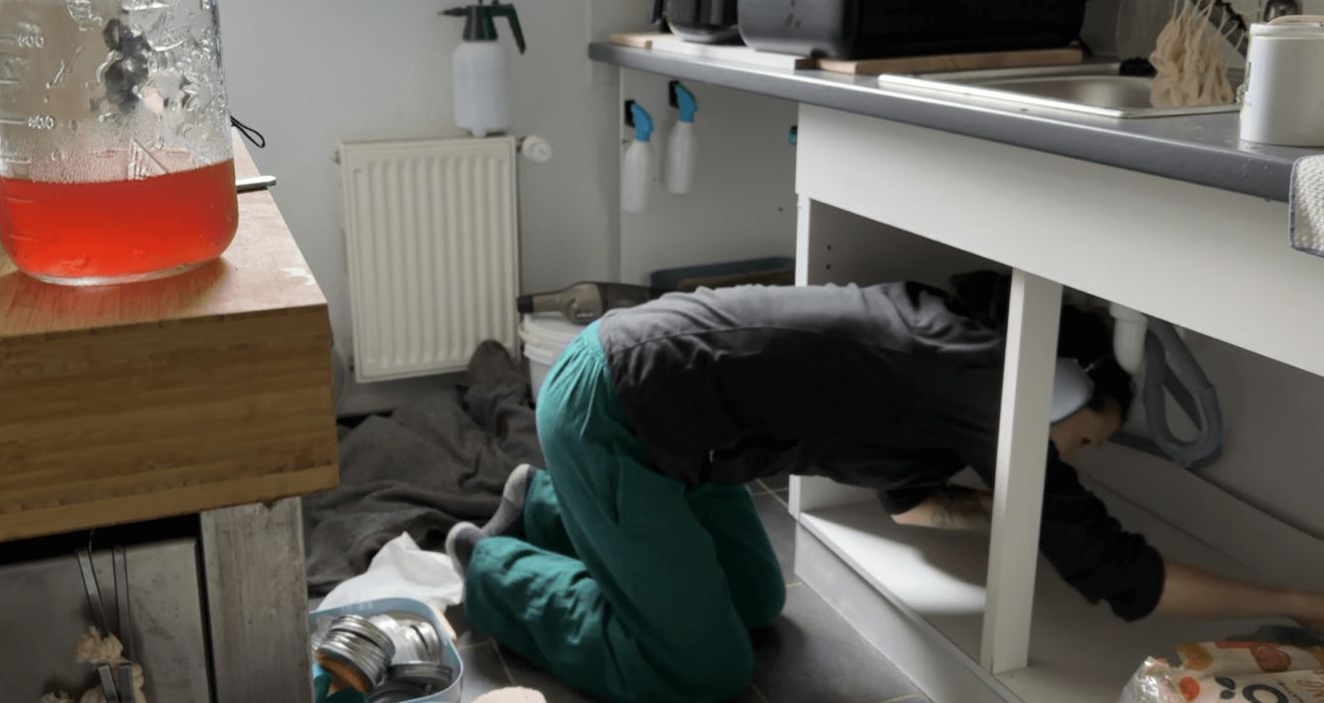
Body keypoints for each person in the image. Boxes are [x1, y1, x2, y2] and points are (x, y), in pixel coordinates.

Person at [443, 273, 1324, 703]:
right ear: (1060, 390)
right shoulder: (987, 387)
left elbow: (911, 503)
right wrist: (1295, 597)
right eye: (1084, 438)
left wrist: (1012, 518)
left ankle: (548, 502)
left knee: (755, 599)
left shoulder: (954, 367)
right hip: (618, 418)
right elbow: (1122, 575)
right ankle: (493, 567)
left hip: (686, 433)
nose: (1073, 461)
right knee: (703, 667)